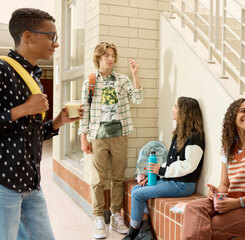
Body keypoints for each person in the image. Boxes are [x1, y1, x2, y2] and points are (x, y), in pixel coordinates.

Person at [0, 8, 83, 240]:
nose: (55, 44)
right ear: (27, 36)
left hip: (31, 183)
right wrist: (24, 109)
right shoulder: (2, 70)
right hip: (4, 184)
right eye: (50, 36)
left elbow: (27, 134)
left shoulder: (32, 76)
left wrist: (57, 122)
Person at [181, 98, 245, 239]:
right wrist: (216, 192)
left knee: (208, 227)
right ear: (233, 117)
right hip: (232, 201)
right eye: (243, 111)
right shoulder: (228, 148)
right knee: (193, 208)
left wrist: (238, 203)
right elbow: (225, 185)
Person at [78, 42, 143, 239]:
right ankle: (98, 217)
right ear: (98, 57)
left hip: (119, 134)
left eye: (112, 55)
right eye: (106, 55)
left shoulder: (121, 80)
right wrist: (83, 137)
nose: (110, 58)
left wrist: (134, 74)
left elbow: (137, 99)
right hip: (97, 136)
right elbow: (84, 111)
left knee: (118, 178)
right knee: (98, 179)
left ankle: (116, 215)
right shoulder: (90, 81)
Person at [123, 96, 205, 240]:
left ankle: (133, 231)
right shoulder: (179, 134)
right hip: (172, 181)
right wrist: (154, 175)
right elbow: (170, 162)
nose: (172, 110)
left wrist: (160, 171)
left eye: (176, 107)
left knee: (137, 194)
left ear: (184, 112)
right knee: (137, 189)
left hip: (183, 185)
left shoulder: (195, 137)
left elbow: (189, 166)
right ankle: (145, 229)